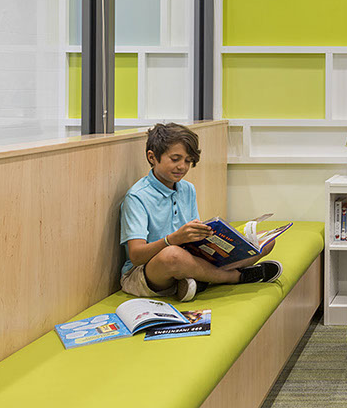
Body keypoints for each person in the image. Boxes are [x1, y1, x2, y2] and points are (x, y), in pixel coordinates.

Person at [119, 123, 282, 302]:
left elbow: (193, 240)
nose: (182, 166)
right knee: (172, 255)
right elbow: (136, 256)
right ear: (152, 157)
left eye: (188, 161)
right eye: (175, 159)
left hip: (187, 259)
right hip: (147, 272)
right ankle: (236, 277)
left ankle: (199, 279)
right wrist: (171, 239)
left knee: (265, 241)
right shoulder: (137, 197)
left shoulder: (187, 189)